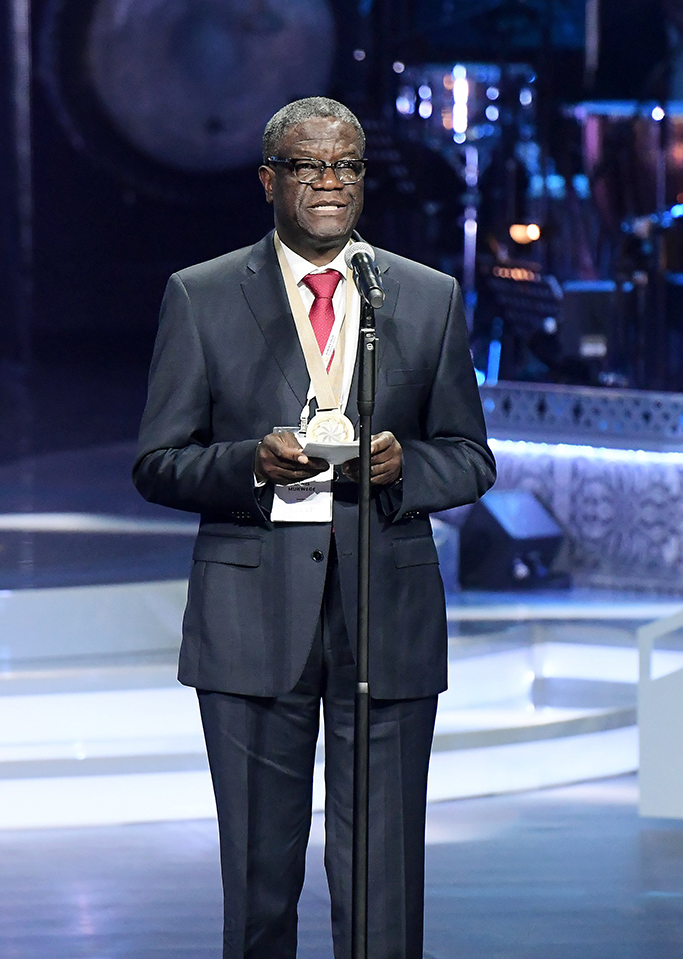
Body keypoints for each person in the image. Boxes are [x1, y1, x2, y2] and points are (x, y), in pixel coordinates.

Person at [133, 97, 495, 959]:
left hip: (386, 616)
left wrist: (405, 467)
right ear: (269, 181)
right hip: (252, 620)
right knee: (260, 883)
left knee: (383, 890)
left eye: (347, 166)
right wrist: (251, 465)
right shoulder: (203, 295)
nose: (331, 182)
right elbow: (158, 463)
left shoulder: (424, 296)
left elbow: (471, 458)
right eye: (308, 165)